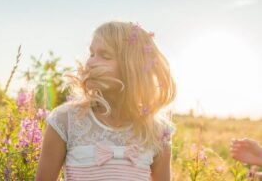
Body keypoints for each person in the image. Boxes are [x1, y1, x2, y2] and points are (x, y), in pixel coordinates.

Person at [35, 21, 177, 181]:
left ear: (132, 67)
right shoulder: (65, 121)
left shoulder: (157, 131)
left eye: (105, 56)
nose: (90, 63)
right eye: (92, 54)